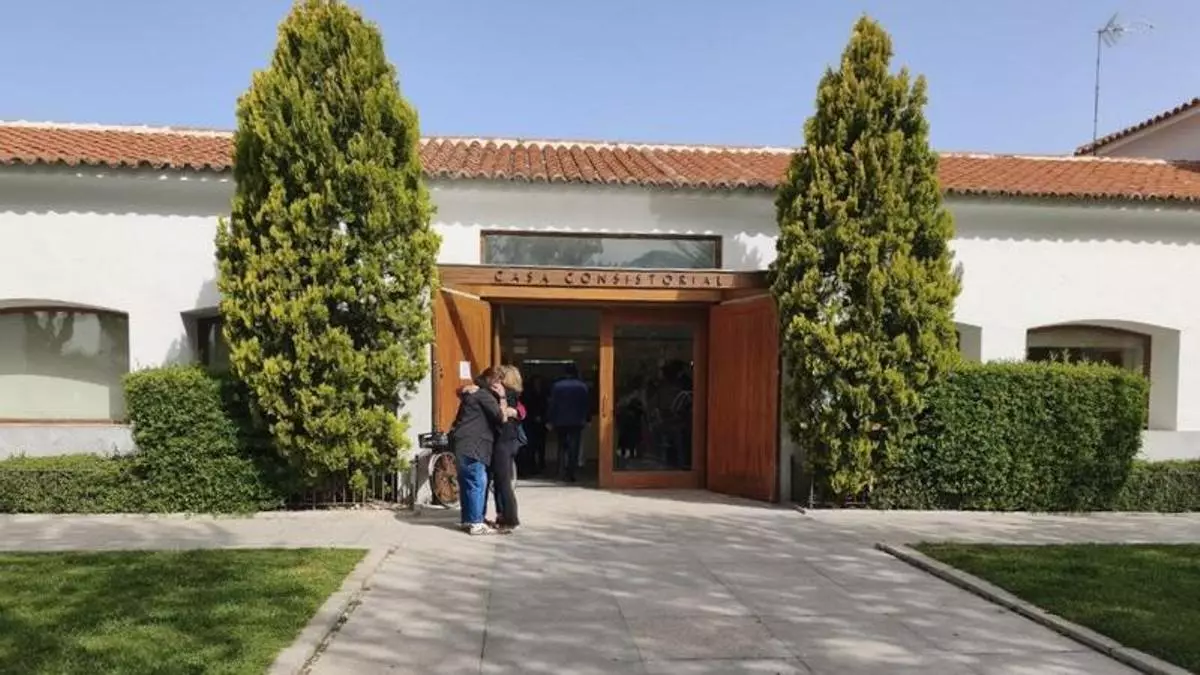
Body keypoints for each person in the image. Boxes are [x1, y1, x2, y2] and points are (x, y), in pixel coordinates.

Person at [447, 367, 508, 536]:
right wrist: (503, 397)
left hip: (461, 442)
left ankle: (468, 520)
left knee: (468, 483)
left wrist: (464, 388)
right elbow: (502, 417)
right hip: (475, 445)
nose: (499, 384)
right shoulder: (484, 395)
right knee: (477, 482)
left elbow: (460, 392)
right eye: (497, 380)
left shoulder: (472, 393)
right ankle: (476, 523)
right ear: (489, 380)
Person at [488, 365, 525, 532]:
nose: (497, 379)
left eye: (501, 376)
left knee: (503, 483)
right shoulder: (516, 395)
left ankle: (510, 519)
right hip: (510, 442)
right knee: (501, 481)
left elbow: (502, 416)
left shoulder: (505, 394)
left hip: (503, 442)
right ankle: (502, 516)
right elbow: (521, 412)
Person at [546, 362, 590, 482]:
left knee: (561, 446)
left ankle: (560, 471)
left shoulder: (557, 386)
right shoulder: (582, 386)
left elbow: (553, 404)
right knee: (574, 447)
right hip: (577, 420)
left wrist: (550, 419)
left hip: (560, 420)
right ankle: (571, 473)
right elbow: (585, 404)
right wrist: (587, 418)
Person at [521, 375, 549, 476]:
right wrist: (533, 416)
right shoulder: (529, 394)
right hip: (530, 422)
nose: (538, 384)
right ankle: (532, 465)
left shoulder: (543, 393)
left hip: (541, 422)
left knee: (541, 444)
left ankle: (541, 463)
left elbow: (546, 406)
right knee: (531, 444)